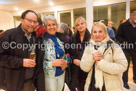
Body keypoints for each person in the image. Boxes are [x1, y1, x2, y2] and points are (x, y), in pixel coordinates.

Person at [80, 22, 128, 91]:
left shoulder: (114, 46)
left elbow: (123, 66)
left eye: (100, 31)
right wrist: (92, 58)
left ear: (105, 33)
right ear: (92, 34)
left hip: (111, 87)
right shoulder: (88, 47)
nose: (97, 34)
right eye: (95, 32)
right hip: (92, 86)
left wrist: (101, 63)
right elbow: (84, 67)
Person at [0, 10, 38, 91]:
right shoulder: (9, 34)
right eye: (29, 21)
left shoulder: (34, 35)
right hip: (14, 83)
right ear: (22, 20)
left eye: (34, 22)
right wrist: (21, 62)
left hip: (30, 81)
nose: (32, 24)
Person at [36, 15, 67, 91]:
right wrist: (52, 63)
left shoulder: (60, 39)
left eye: (53, 24)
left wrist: (66, 62)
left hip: (61, 74)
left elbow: (65, 55)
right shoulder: (41, 41)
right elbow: (38, 63)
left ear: (56, 26)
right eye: (49, 25)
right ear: (45, 27)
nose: (52, 27)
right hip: (49, 77)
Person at [116, 11, 136, 89]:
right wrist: (124, 42)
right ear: (132, 17)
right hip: (126, 49)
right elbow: (117, 36)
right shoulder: (123, 26)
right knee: (126, 65)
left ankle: (135, 79)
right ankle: (125, 82)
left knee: (135, 65)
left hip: (134, 48)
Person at [70, 16, 91, 91]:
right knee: (80, 88)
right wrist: (73, 60)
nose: (80, 26)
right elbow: (70, 53)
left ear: (86, 24)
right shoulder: (73, 38)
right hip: (77, 70)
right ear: (75, 27)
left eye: (82, 23)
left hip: (89, 68)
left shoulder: (92, 37)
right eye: (78, 25)